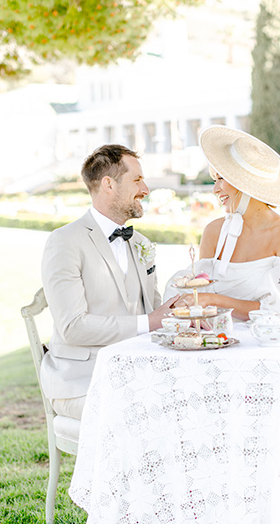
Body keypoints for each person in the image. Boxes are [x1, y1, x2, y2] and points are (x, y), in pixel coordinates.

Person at [40, 144, 178, 420]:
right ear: (108, 184)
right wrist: (149, 322)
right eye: (137, 180)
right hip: (80, 383)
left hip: (138, 373)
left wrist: (184, 317)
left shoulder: (141, 243)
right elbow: (73, 327)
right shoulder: (64, 242)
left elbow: (155, 310)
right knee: (142, 414)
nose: (146, 189)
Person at [164, 125, 280, 319]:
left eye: (221, 178)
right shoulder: (214, 232)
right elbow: (199, 292)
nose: (215, 189)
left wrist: (213, 300)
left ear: (245, 184)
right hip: (215, 341)